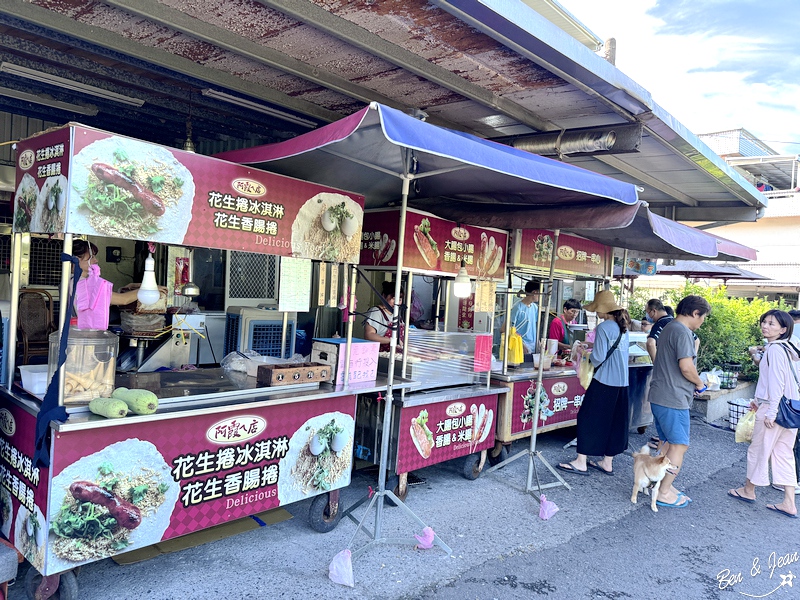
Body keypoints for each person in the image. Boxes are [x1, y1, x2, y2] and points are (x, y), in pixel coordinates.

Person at [728, 310, 798, 517]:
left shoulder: (775, 350)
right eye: (764, 322)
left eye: (772, 324)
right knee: (784, 454)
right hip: (792, 409)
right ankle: (789, 502)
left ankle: (748, 490)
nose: (765, 326)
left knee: (759, 450)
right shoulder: (791, 348)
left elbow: (777, 383)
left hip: (774, 409)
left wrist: (770, 411)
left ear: (783, 329)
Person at [557, 290, 630, 476]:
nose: (595, 312)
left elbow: (598, 359)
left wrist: (585, 352)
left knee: (587, 418)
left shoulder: (604, 326)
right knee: (614, 422)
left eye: (597, 309)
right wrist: (591, 345)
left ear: (604, 310)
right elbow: (611, 351)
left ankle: (581, 461)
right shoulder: (622, 327)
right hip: (622, 383)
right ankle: (607, 462)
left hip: (604, 381)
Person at [648, 295, 711, 508]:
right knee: (679, 445)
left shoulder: (669, 327)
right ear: (695, 313)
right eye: (703, 317)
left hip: (661, 395)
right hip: (672, 398)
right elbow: (686, 367)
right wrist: (700, 384)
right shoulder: (683, 332)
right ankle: (664, 492)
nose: (702, 322)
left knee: (666, 444)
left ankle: (659, 484)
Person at [73, 240, 145, 306]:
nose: (96, 260)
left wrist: (125, 289)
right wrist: (148, 289)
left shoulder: (72, 280)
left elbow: (102, 299)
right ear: (76, 259)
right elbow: (123, 300)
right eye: (91, 257)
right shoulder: (84, 284)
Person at [363, 281, 405, 352]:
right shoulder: (376, 312)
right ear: (384, 296)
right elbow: (369, 335)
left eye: (400, 299)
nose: (396, 303)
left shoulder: (396, 314)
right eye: (393, 299)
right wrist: (391, 340)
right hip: (380, 355)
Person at [510, 281, 541, 354]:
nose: (540, 297)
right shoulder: (518, 308)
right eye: (540, 294)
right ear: (535, 292)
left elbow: (534, 327)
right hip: (521, 346)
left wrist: (538, 342)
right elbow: (510, 329)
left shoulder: (535, 307)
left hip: (533, 346)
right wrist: (521, 344)